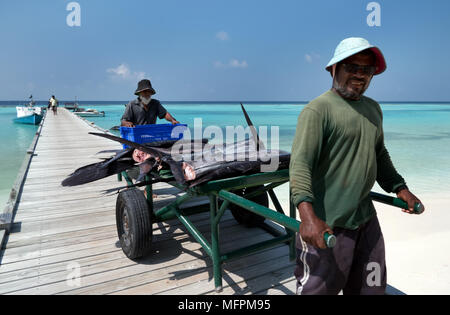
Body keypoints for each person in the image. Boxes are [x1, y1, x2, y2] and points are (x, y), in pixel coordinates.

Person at [289, 37, 425, 295]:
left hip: (365, 219)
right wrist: (307, 218)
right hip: (326, 223)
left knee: (371, 287)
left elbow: (379, 154)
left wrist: (400, 188)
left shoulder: (373, 109)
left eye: (367, 70)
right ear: (334, 69)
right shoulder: (317, 111)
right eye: (352, 67)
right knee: (317, 291)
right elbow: (300, 165)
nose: (360, 75)